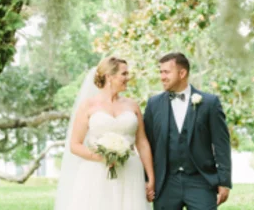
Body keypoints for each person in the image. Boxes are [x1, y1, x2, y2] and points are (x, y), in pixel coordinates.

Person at [54, 56, 154, 210]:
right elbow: (75, 144)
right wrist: (102, 157)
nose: (128, 78)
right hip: (97, 172)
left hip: (130, 170)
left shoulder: (132, 105)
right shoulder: (88, 105)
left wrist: (151, 177)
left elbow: (142, 142)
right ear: (109, 76)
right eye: (124, 74)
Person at [143, 52, 232, 209]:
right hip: (166, 183)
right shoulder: (153, 104)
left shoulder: (209, 103)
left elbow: (221, 144)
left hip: (201, 181)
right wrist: (147, 179)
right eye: (161, 72)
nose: (162, 77)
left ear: (182, 73)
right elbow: (147, 144)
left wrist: (224, 181)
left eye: (166, 72)